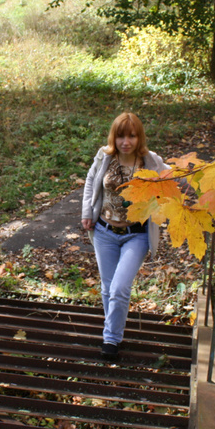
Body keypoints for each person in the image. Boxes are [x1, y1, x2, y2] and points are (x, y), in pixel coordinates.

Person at [81, 112, 169, 361]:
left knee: (120, 287)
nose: (126, 142)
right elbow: (90, 181)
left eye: (131, 136)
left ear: (139, 137)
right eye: (121, 136)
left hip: (136, 234)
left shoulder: (150, 161)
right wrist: (87, 212)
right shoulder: (105, 156)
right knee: (108, 288)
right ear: (114, 137)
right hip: (104, 232)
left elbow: (173, 178)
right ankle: (113, 335)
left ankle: (110, 339)